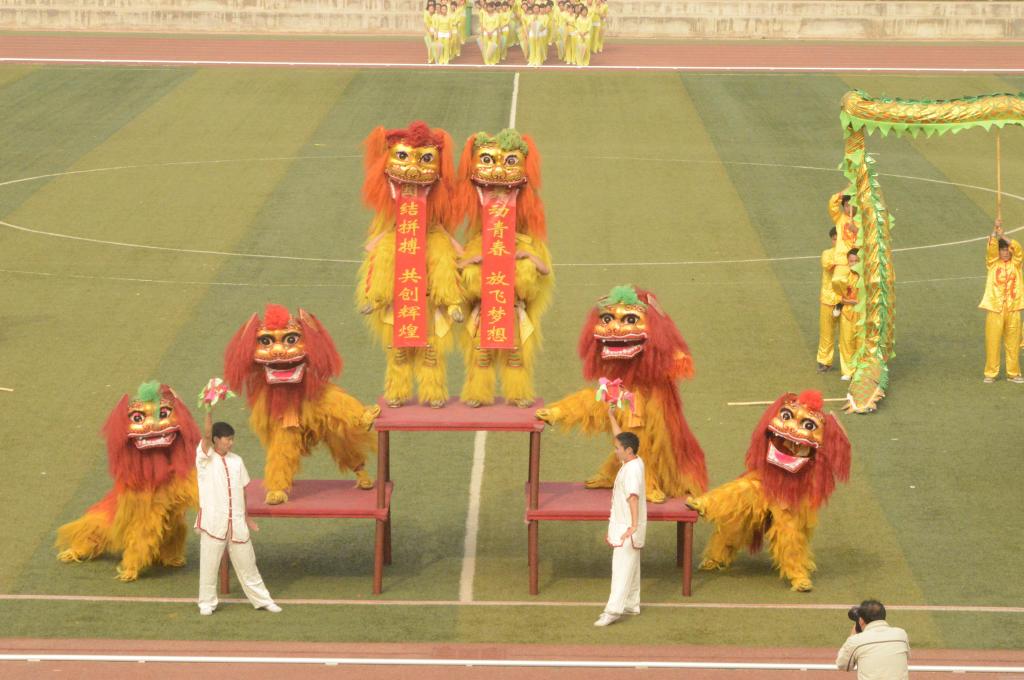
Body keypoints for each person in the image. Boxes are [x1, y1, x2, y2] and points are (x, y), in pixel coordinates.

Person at [195, 407, 280, 616]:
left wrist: (247, 518)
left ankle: (263, 600)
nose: (231, 443)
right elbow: (205, 435)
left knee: (248, 564)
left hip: (237, 523)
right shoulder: (205, 458)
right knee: (209, 565)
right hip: (213, 522)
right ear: (216, 440)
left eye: (232, 439)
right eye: (227, 439)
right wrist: (209, 410)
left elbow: (242, 491)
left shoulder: (237, 461)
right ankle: (206, 603)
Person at [594, 403, 647, 627]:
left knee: (621, 569)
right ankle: (632, 604)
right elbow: (620, 437)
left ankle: (613, 611)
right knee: (632, 568)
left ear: (628, 450)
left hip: (627, 528)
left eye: (618, 448)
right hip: (628, 526)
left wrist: (632, 527)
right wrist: (611, 416)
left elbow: (633, 498)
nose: (615, 451)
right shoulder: (634, 460)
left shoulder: (632, 471)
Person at [979, 220, 1023, 383]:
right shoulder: (992, 263)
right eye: (1002, 250)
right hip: (995, 309)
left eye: (1007, 250)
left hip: (1013, 309)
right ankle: (990, 373)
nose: (1005, 253)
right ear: (998, 251)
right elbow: (990, 248)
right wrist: (995, 232)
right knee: (993, 342)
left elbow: (1018, 249)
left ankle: (1013, 373)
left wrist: (1003, 235)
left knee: (1013, 343)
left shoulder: (1016, 264)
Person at [835, 600, 910, 680]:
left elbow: (842, 665)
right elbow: (906, 657)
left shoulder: (856, 641)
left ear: (861, 621)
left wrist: (854, 633)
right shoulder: (901, 635)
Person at [833, 247, 861, 381]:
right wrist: (849, 301)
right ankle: (848, 371)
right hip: (847, 313)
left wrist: (852, 301)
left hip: (862, 314)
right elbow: (840, 297)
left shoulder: (865, 277)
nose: (853, 263)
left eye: (856, 261)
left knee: (861, 342)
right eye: (851, 261)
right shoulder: (843, 277)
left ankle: (861, 371)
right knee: (846, 342)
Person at [817, 226, 841, 373]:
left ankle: (849, 365)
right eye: (834, 239)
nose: (837, 241)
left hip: (846, 299)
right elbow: (831, 267)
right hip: (828, 298)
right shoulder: (826, 254)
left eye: (840, 238)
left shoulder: (852, 254)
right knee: (826, 331)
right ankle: (824, 361)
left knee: (848, 335)